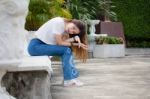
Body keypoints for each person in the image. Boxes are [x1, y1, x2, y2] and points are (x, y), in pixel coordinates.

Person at [28, 17, 88, 87]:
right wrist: (74, 43)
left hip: (40, 46)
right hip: (36, 46)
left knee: (67, 50)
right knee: (66, 50)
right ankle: (69, 79)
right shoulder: (59, 23)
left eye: (73, 32)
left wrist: (75, 40)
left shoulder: (63, 28)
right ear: (72, 22)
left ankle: (71, 78)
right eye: (73, 28)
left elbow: (60, 43)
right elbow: (60, 43)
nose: (71, 31)